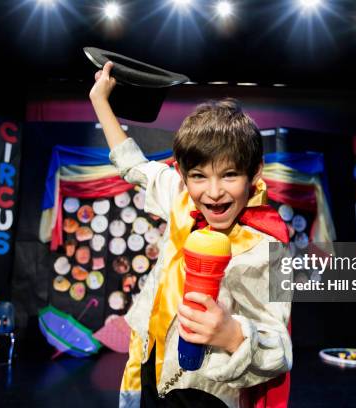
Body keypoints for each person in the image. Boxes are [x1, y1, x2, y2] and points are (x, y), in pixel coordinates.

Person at [90, 61, 292, 408]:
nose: (213, 192)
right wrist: (100, 102)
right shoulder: (181, 196)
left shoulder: (265, 245)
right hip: (149, 368)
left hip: (207, 391)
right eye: (199, 175)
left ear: (254, 173)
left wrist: (232, 336)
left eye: (229, 174)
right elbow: (133, 165)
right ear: (182, 173)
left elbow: (279, 348)